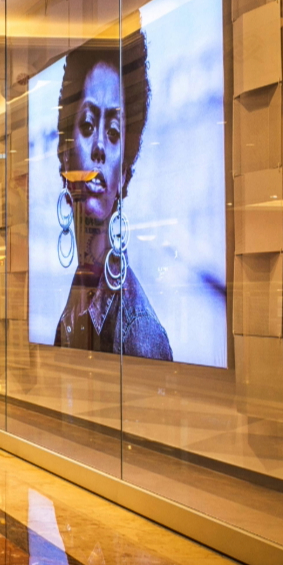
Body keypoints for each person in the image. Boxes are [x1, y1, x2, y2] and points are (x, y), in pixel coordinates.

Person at [52, 34, 172, 361]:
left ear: (124, 174)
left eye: (114, 133)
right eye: (88, 126)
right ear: (65, 156)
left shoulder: (141, 332)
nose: (100, 149)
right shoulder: (77, 297)